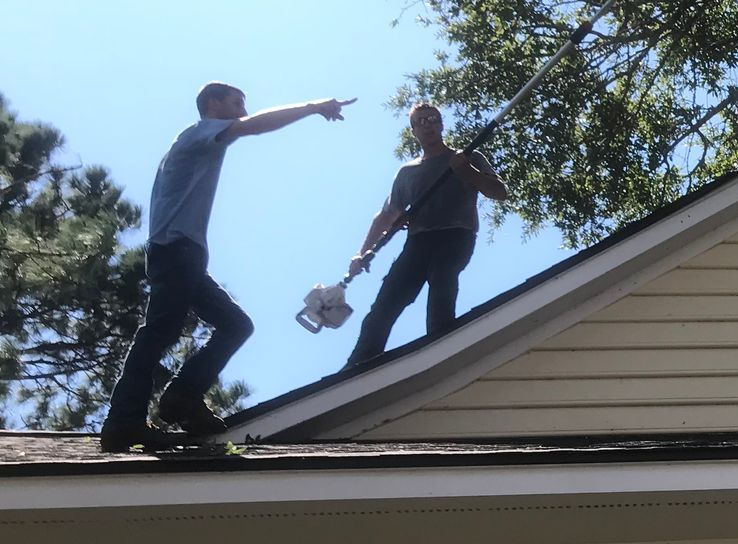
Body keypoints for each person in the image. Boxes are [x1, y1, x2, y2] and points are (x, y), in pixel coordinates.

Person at [100, 83, 354, 452]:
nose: (242, 110)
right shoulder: (198, 133)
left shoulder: (197, 142)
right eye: (236, 102)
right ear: (212, 104)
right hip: (176, 251)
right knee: (158, 332)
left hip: (183, 255)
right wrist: (314, 106)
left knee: (236, 325)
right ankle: (123, 421)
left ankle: (181, 398)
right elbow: (254, 126)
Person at [344, 103, 506, 366]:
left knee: (442, 279)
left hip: (456, 235)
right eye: (421, 121)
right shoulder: (408, 173)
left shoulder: (467, 158)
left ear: (442, 124)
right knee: (387, 300)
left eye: (433, 119)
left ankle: (440, 344)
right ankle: (357, 364)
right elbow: (386, 216)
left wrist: (467, 172)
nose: (428, 124)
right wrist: (361, 254)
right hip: (418, 242)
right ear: (413, 131)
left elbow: (499, 192)